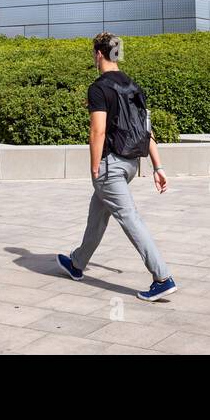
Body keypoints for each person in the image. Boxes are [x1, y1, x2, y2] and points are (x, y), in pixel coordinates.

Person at [57, 32, 177, 302]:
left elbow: (97, 131)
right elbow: (147, 130)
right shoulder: (135, 87)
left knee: (130, 218)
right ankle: (77, 264)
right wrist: (158, 167)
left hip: (110, 164)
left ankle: (162, 278)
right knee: (97, 215)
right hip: (132, 162)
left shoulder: (98, 88)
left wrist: (94, 167)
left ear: (99, 54)